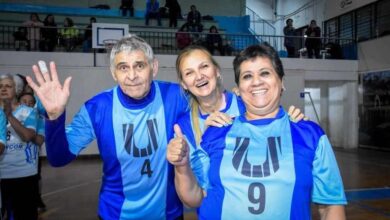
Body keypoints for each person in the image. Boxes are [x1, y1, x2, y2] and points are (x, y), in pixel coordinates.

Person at [167, 43, 347, 219]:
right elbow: (195, 196)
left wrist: (299, 126)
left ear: (282, 82)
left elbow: (331, 205)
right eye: (247, 76)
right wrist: (182, 166)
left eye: (265, 73)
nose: (256, 82)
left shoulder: (309, 134)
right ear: (238, 88)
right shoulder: (211, 132)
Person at [26, 34, 189, 219]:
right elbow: (58, 159)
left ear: (154, 67)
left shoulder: (177, 96)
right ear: (114, 73)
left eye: (140, 66)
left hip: (169, 214)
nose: (132, 76)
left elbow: (212, 107)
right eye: (123, 68)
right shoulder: (97, 108)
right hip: (114, 214)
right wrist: (55, 118)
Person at [169, 44, 305, 191]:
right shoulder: (183, 127)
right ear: (184, 84)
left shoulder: (246, 103)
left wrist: (294, 123)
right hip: (216, 207)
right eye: (189, 73)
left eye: (204, 67)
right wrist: (206, 140)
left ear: (217, 71)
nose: (199, 76)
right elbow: (201, 186)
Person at [0, 74, 39, 220]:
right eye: (0, 86)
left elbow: (28, 136)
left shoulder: (28, 111)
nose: (3, 89)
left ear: (16, 90)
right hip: (2, 175)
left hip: (24, 174)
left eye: (8, 86)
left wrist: (9, 115)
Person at [19, 91, 47, 212]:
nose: (27, 105)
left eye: (31, 103)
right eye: (24, 102)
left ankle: (37, 200)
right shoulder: (8, 117)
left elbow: (39, 140)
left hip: (29, 164)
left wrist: (27, 131)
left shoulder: (38, 119)